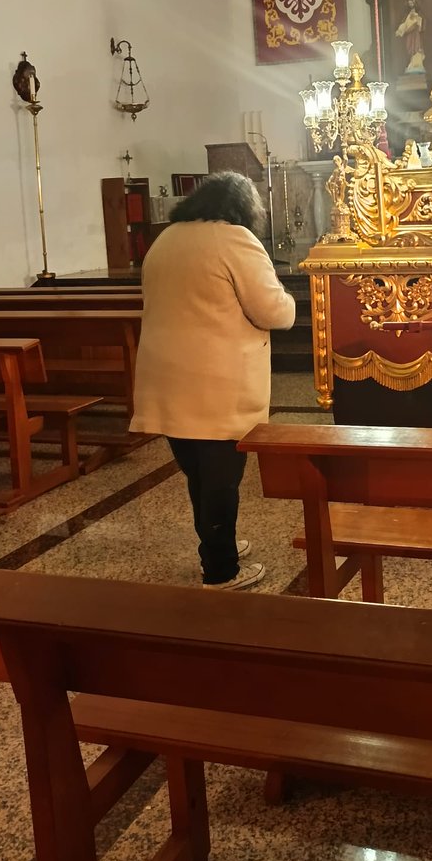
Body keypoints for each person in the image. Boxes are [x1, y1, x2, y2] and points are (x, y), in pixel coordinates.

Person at [130, 171, 296, 590]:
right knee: (222, 477)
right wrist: (288, 297)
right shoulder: (235, 240)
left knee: (198, 474)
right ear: (244, 208)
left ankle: (215, 542)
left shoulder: (165, 240)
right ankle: (220, 571)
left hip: (166, 377)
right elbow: (275, 313)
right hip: (217, 383)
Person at [394, 0, 426, 73]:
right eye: (410, 4)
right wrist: (400, 31)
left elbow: (420, 27)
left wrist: (417, 25)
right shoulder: (407, 16)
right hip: (409, 36)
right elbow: (404, 25)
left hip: (416, 36)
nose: (411, 7)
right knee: (410, 49)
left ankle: (417, 65)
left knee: (417, 49)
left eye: (412, 4)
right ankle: (411, 64)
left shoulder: (418, 16)